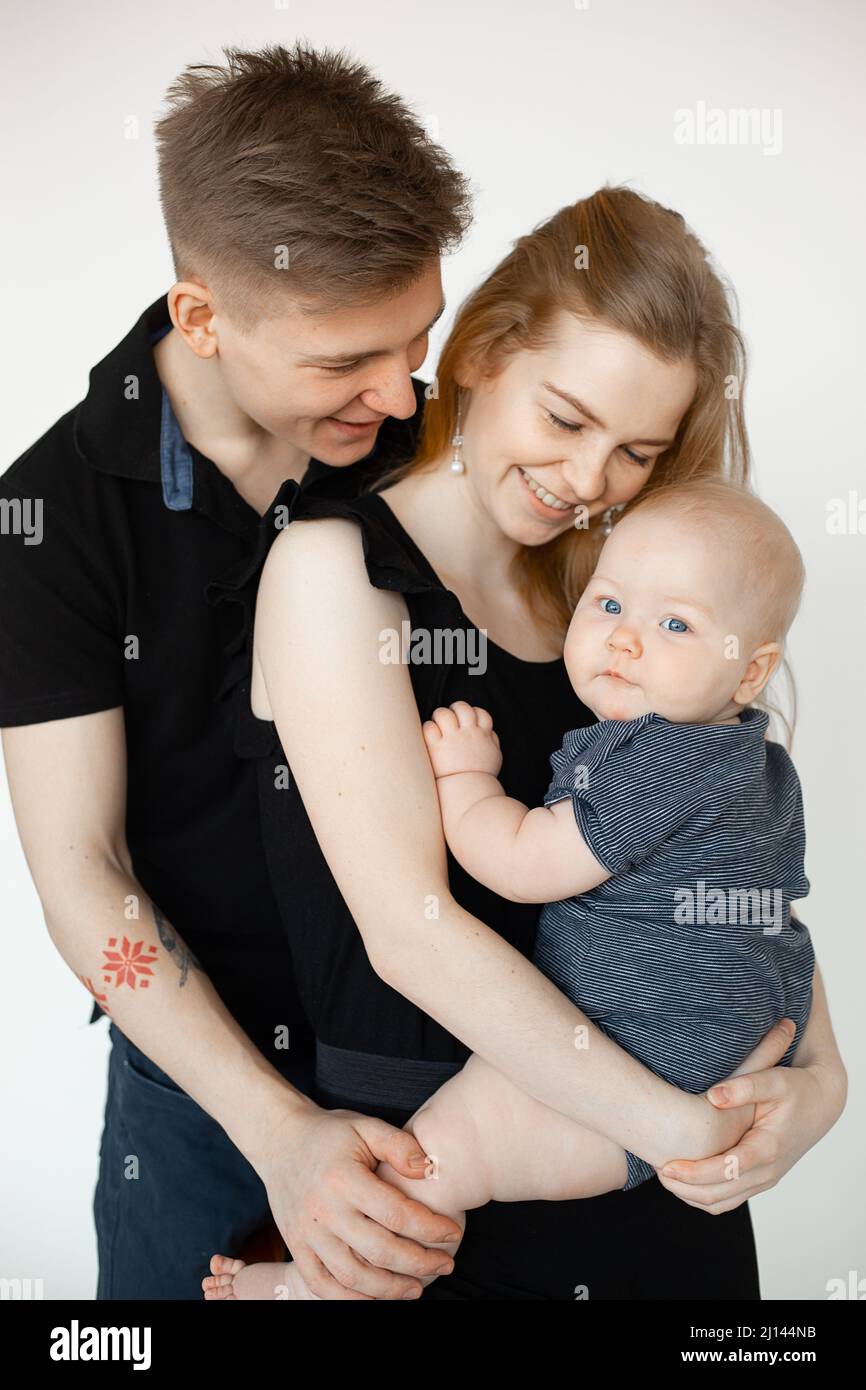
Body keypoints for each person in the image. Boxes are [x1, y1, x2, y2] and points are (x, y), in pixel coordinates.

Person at [202, 185, 847, 1300]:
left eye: (636, 452)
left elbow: (722, 836)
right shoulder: (336, 572)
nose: (590, 480)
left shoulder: (613, 598)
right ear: (479, 357)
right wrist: (676, 1122)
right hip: (441, 1168)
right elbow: (409, 933)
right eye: (565, 419)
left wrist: (820, 1084)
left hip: (658, 1172)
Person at [0, 42, 475, 1300]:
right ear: (199, 316)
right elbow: (79, 875)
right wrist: (275, 1131)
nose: (400, 391)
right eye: (342, 364)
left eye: (414, 337)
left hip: (462, 1066)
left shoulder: (433, 444)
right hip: (200, 1096)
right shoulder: (45, 518)